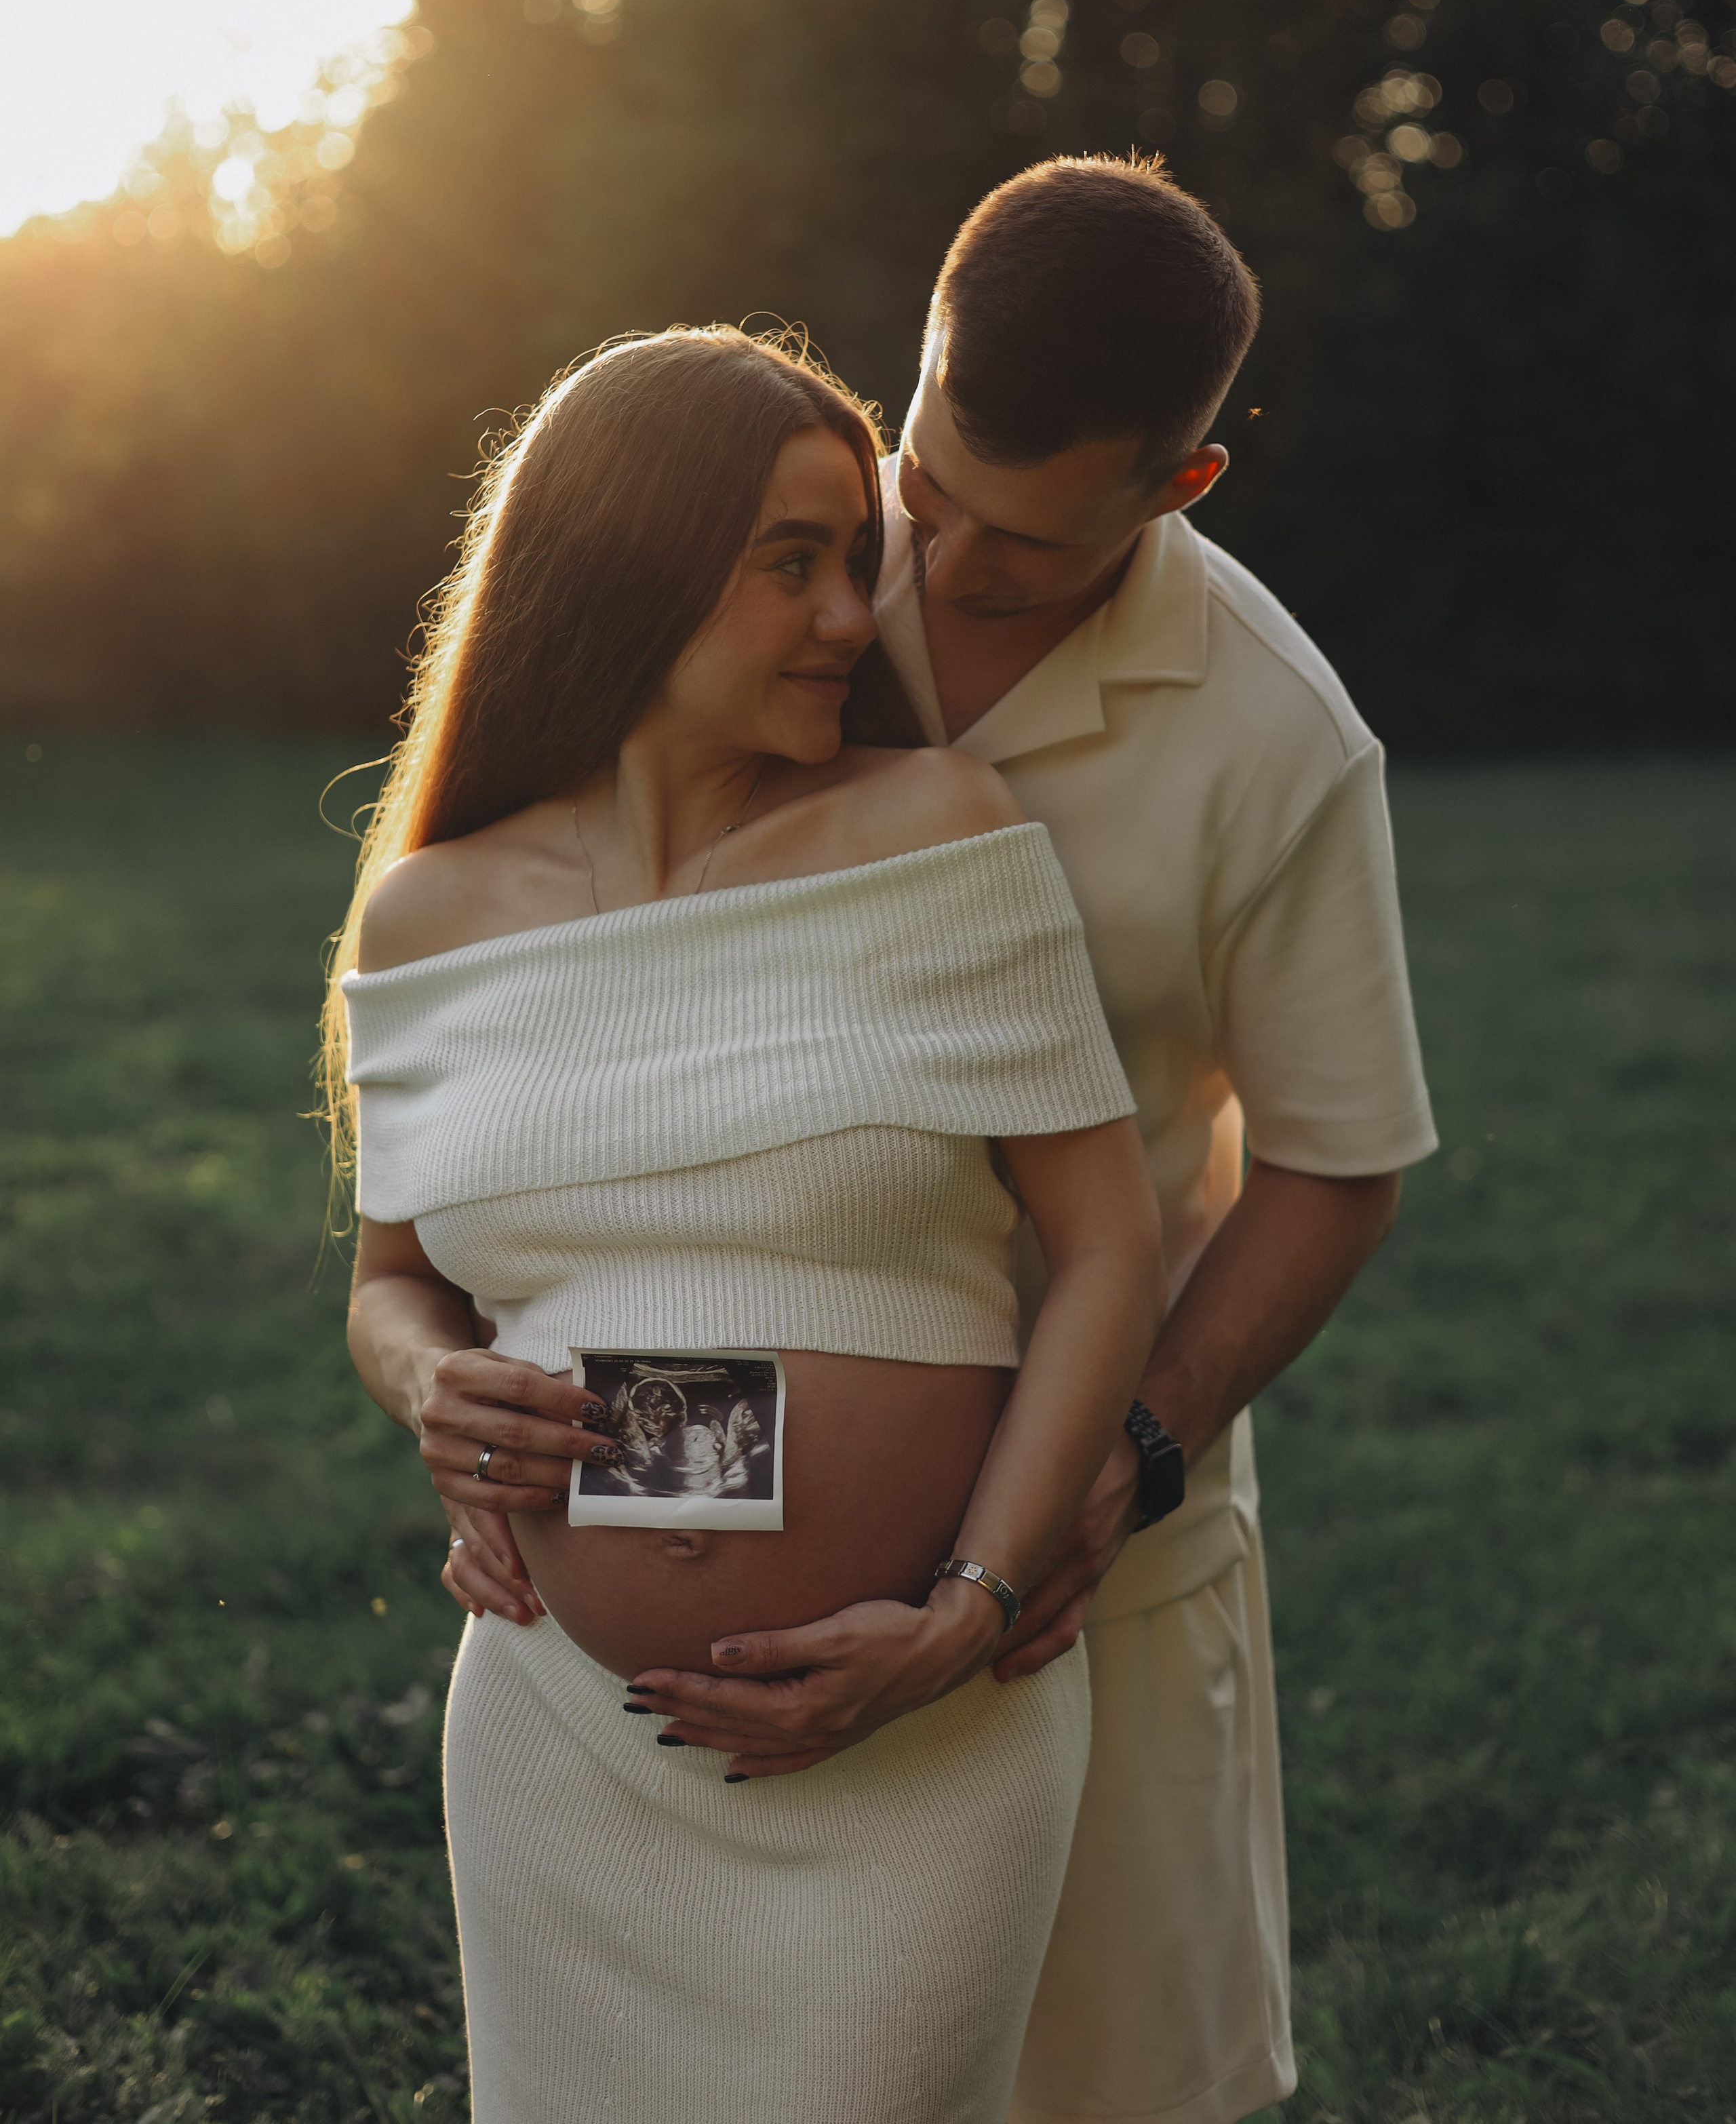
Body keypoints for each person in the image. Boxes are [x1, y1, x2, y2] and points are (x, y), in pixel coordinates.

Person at [454, 158, 1438, 2124]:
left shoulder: (1278, 742)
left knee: (1097, 2088)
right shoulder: (769, 564)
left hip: (1087, 1568)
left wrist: (1130, 1462)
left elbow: (1338, 1165)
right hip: (687, 1492)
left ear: (1182, 488)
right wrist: (500, 1382)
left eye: (1026, 542)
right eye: (929, 487)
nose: (942, 563)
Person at [331, 327, 1168, 2124]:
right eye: (789, 563)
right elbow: (394, 1283)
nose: (847, 620)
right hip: (564, 1730)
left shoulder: (930, 830)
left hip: (922, 1733)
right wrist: (430, 1390)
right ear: (630, 558)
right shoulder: (429, 916)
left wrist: (970, 1608)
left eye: (851, 562)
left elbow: (1110, 1247)